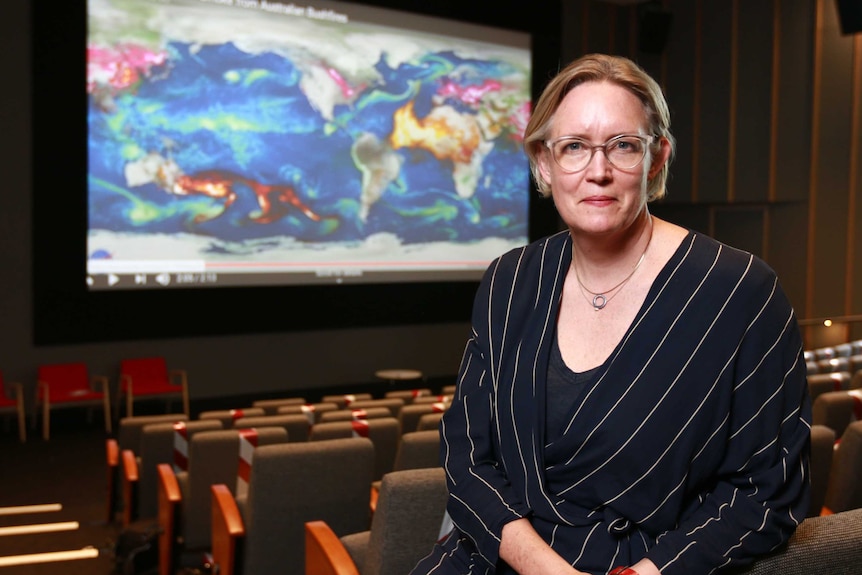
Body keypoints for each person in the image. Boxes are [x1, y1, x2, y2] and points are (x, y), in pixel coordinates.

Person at [410, 53, 811, 575]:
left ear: (658, 158)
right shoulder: (509, 280)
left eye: (623, 146)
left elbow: (768, 494)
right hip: (497, 558)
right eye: (574, 147)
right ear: (543, 163)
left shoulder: (741, 291)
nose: (597, 172)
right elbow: (467, 456)